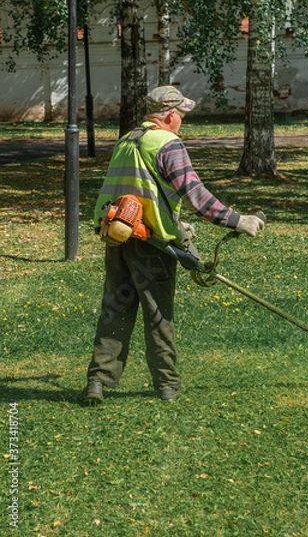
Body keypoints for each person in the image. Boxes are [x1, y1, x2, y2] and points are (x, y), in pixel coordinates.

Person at [82, 86, 264, 405]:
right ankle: (167, 385)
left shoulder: (127, 140)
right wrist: (239, 220)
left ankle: (97, 381)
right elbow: (197, 196)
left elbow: (138, 191)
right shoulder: (167, 143)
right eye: (181, 115)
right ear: (169, 115)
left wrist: (177, 223)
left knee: (115, 310)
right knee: (157, 314)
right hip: (153, 248)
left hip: (118, 236)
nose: (182, 121)